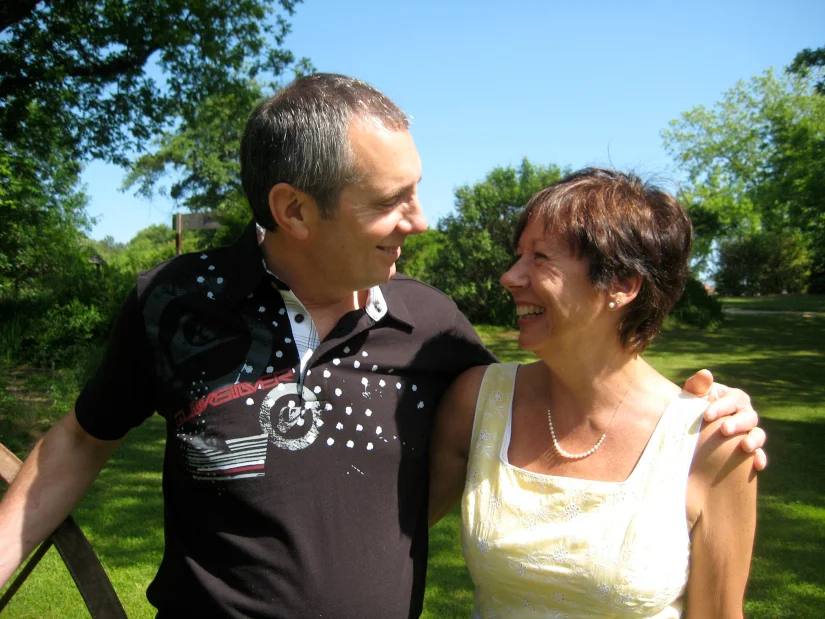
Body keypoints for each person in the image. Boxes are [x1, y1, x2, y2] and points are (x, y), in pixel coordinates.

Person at [0, 76, 764, 618]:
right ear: (295, 210)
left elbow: (560, 396)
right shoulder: (175, 302)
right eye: (391, 200)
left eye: (416, 189)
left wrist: (699, 416)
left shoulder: (433, 326)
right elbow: (79, 441)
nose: (420, 220)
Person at [429, 168, 758, 618]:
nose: (509, 277)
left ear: (621, 285)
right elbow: (378, 533)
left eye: (540, 257)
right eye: (518, 255)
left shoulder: (712, 441)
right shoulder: (478, 402)